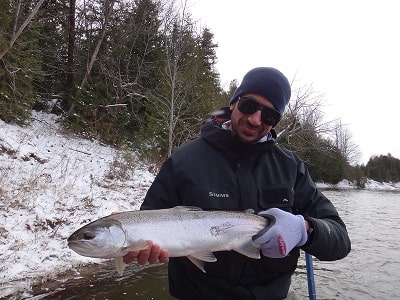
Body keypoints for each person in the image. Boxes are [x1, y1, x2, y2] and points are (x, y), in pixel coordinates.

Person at [123, 67, 351, 300]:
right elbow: (149, 220)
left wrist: (306, 231)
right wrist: (137, 241)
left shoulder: (291, 168)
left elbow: (341, 241)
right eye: (249, 105)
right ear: (234, 102)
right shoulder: (183, 161)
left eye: (269, 116)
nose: (255, 119)